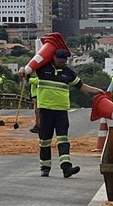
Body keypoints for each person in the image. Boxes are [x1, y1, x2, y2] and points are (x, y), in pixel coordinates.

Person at [33, 48, 103, 177]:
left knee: (63, 139)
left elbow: (81, 86)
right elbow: (29, 69)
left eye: (63, 61)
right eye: (59, 61)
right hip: (46, 110)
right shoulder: (43, 69)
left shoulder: (68, 73)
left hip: (61, 111)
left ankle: (66, 168)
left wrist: (96, 91)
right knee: (45, 140)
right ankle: (45, 167)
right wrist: (23, 71)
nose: (61, 63)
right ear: (53, 58)